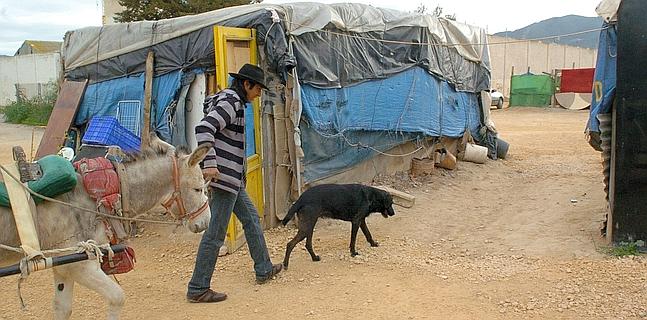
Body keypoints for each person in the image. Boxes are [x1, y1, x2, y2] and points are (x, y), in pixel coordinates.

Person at [186, 64, 282, 303]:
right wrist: (209, 163)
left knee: (251, 219)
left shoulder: (233, 101)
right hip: (223, 179)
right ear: (246, 85)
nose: (259, 93)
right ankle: (198, 288)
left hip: (232, 179)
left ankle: (264, 268)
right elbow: (205, 128)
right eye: (258, 88)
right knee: (216, 234)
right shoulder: (231, 101)